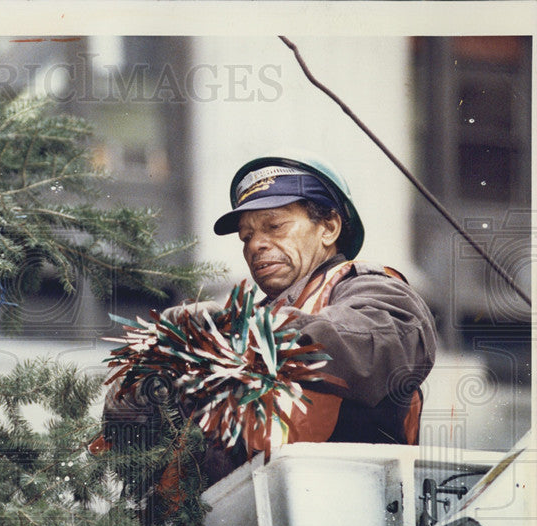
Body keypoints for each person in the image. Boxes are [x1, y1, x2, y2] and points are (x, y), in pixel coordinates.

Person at [103, 153, 438, 484]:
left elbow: (379, 344)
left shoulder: (373, 290)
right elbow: (132, 447)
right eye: (246, 237)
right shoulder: (242, 325)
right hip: (233, 522)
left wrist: (238, 333)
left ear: (329, 227)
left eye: (274, 226)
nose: (256, 245)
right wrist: (155, 368)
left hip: (344, 522)